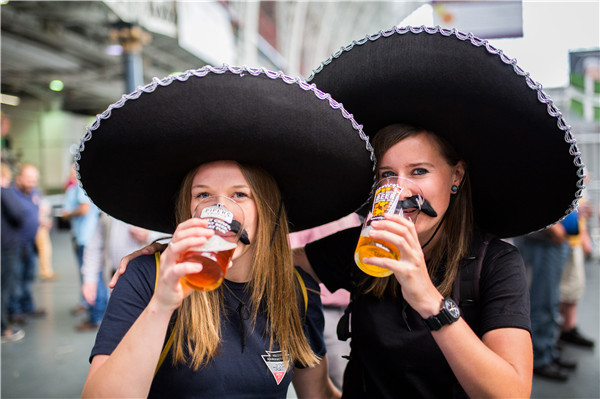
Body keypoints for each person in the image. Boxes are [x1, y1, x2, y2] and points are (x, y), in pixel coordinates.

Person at [294, 26, 583, 398]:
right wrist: (314, 372)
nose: (400, 190)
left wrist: (430, 300)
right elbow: (284, 266)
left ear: (455, 177)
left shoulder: (494, 264)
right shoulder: (364, 246)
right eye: (387, 175)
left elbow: (512, 392)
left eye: (419, 172)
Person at [77, 65, 374, 398]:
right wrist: (161, 305)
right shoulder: (148, 278)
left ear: (266, 210)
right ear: (188, 210)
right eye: (203, 195)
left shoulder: (298, 292)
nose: (220, 210)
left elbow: (317, 394)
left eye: (239, 195)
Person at [77, 212, 163, 331]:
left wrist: (149, 235)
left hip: (147, 283)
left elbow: (172, 239)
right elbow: (95, 245)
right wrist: (89, 280)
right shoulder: (108, 209)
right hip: (114, 281)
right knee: (115, 331)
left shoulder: (156, 205)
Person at [514, 225, 574, 381]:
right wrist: (553, 228)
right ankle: (539, 357)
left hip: (552, 242)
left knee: (551, 300)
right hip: (541, 240)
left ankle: (548, 350)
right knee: (542, 302)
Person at [62, 163, 100, 319]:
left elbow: (84, 209)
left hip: (86, 237)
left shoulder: (82, 188)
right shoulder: (75, 188)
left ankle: (95, 314)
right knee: (85, 274)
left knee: (89, 274)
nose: (72, 175)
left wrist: (67, 213)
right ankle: (87, 304)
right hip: (80, 236)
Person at [9, 163, 47, 323]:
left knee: (28, 277)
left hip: (29, 243)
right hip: (15, 244)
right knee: (15, 278)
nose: (32, 182)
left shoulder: (34, 192)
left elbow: (38, 208)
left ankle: (28, 307)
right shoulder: (9, 194)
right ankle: (15, 311)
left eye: (34, 179)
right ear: (19, 178)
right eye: (29, 179)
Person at [558, 202, 595, 348]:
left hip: (573, 241)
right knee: (560, 291)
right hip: (561, 241)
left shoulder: (581, 191)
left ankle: (568, 327)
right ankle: (548, 337)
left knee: (574, 288)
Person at [1, 162, 26, 342]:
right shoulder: (4, 191)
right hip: (6, 247)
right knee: (4, 288)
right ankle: (3, 328)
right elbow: (17, 213)